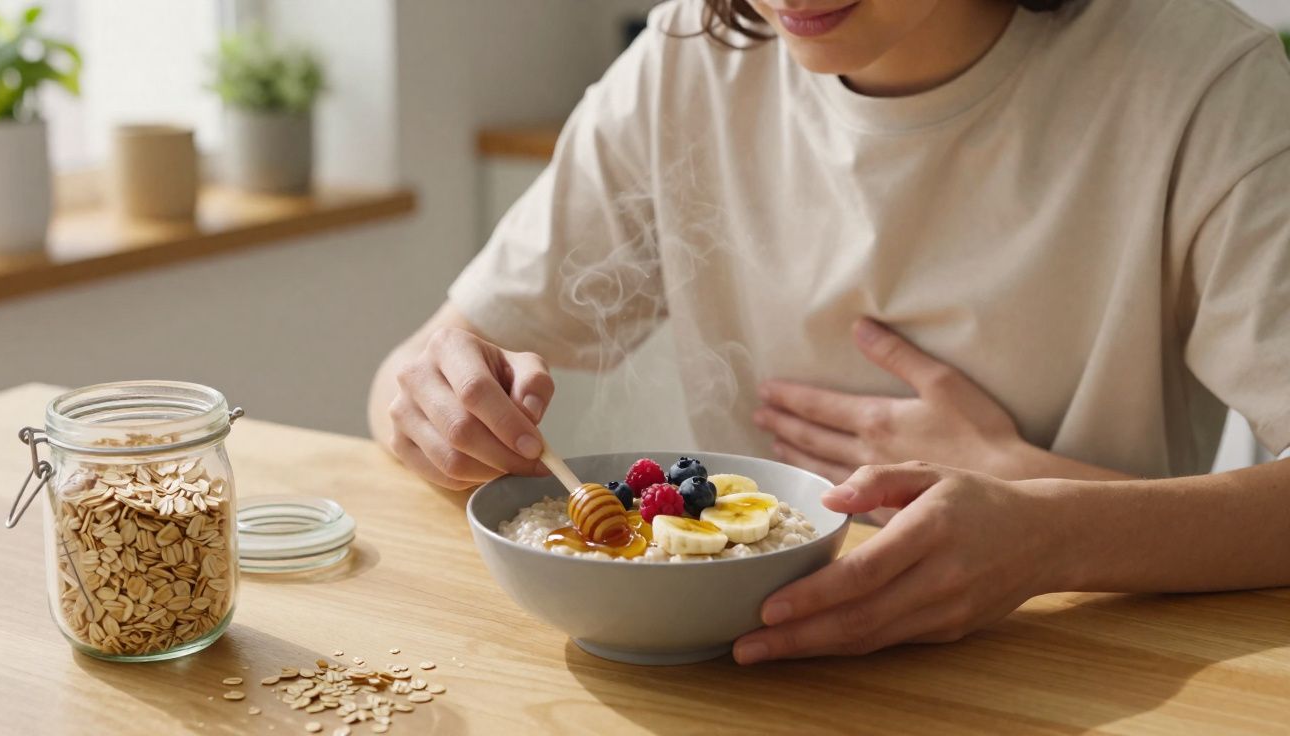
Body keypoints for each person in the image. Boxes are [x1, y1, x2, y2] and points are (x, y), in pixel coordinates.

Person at [368, 0, 1290, 665]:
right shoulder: (686, 59)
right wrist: (431, 400)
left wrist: (1053, 522)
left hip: (1066, 677)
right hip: (725, 679)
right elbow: (415, 376)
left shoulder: (1204, 87)